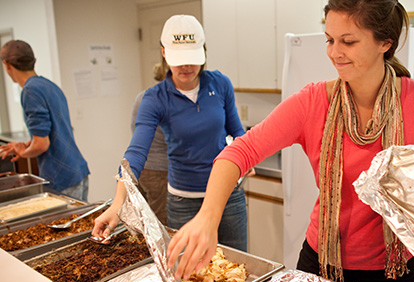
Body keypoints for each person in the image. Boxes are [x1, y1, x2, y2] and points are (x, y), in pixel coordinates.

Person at [166, 1, 414, 282]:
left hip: (396, 271)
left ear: (385, 43)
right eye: (330, 40)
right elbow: (239, 151)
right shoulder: (313, 103)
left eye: (348, 42)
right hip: (321, 265)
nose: (335, 53)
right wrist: (208, 218)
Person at [92, 15, 247, 251]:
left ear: (203, 53)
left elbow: (236, 132)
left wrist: (246, 158)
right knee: (189, 273)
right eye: (179, 59)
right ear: (164, 53)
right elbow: (136, 152)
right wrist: (117, 204)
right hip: (183, 201)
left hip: (227, 193)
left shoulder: (220, 84)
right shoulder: (154, 98)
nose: (186, 67)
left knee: (237, 267)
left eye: (192, 59)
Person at [0, 40, 90, 202]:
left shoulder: (30, 91)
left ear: (6, 65)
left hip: (60, 176)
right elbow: (54, 131)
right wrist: (26, 144)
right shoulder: (49, 85)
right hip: (77, 170)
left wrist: (22, 152)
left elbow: (42, 144)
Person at [131, 58, 169, 226]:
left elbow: (135, 131)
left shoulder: (142, 96)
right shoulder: (164, 100)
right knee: (162, 224)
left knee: (146, 221)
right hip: (160, 172)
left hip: (142, 170)